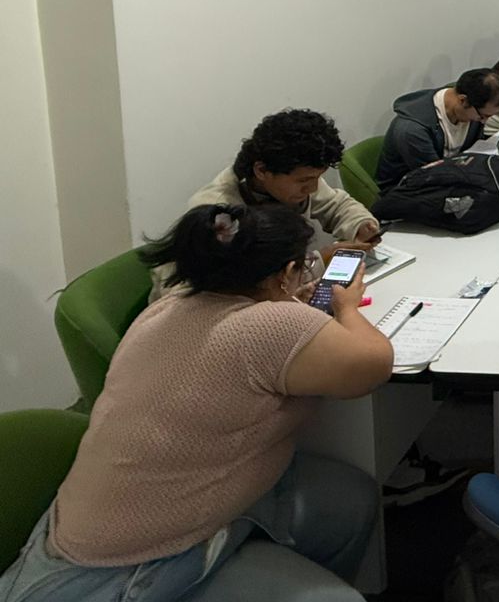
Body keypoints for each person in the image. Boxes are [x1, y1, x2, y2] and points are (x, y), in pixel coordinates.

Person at [1, 204, 393, 602]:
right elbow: (373, 363)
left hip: (162, 513)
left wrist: (290, 303)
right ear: (284, 274)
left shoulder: (169, 305)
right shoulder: (270, 326)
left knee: (350, 499)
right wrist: (345, 307)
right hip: (130, 565)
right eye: (303, 267)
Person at [151, 109, 380, 302]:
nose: (312, 188)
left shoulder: (290, 179)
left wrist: (359, 224)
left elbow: (336, 204)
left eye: (317, 178)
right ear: (261, 170)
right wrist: (316, 263)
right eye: (304, 181)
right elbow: (198, 295)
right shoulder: (216, 212)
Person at [375, 68, 499, 191]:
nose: (484, 121)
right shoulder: (412, 129)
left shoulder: (472, 107)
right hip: (408, 191)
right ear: (463, 100)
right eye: (483, 116)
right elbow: (435, 176)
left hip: (455, 176)